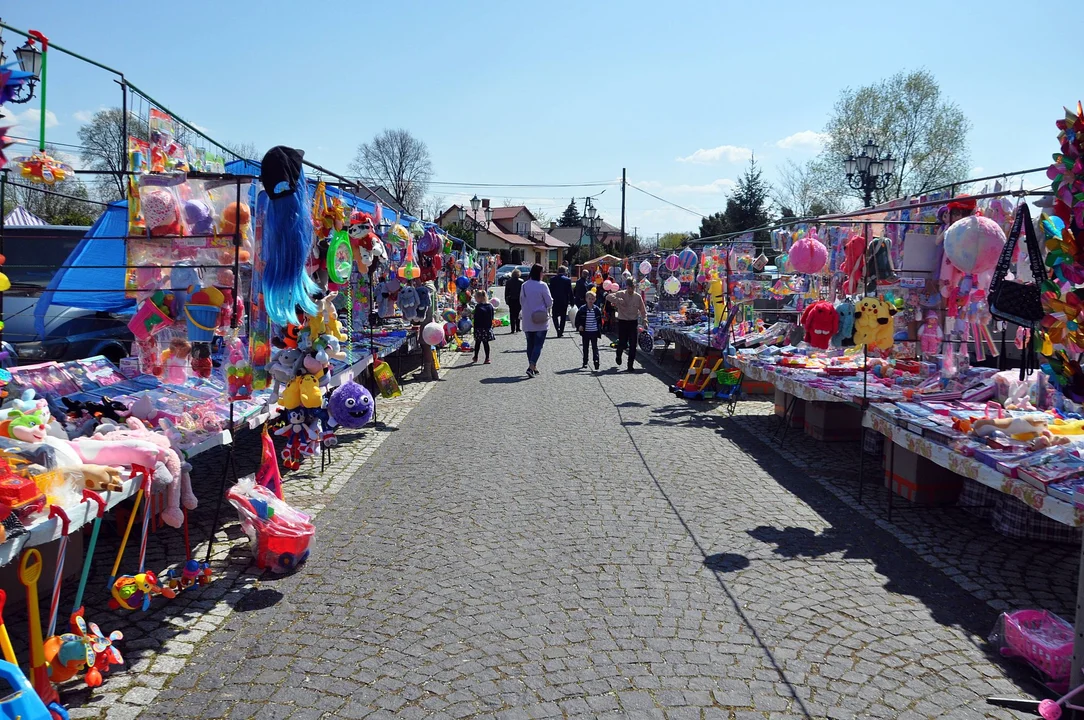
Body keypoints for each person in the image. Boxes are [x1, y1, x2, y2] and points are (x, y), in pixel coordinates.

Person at [607, 277, 648, 372]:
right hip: (623, 321)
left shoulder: (637, 297)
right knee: (623, 343)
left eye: (632, 288)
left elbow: (643, 310)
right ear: (627, 287)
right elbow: (608, 297)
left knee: (633, 344)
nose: (630, 290)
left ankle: (630, 365)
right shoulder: (621, 293)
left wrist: (645, 319)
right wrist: (618, 300)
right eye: (629, 288)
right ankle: (619, 353)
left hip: (633, 322)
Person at [519, 263, 552, 377]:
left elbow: (521, 301)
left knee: (530, 344)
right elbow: (549, 302)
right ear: (539, 273)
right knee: (538, 344)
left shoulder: (524, 285)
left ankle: (533, 366)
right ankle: (531, 366)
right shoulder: (542, 285)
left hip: (527, 317)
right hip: (540, 318)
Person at [576, 290, 603, 371]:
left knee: (595, 347)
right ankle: (585, 361)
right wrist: (579, 326)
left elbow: (599, 320)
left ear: (595, 300)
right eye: (589, 299)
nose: (591, 300)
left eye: (592, 299)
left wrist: (600, 328)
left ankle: (596, 360)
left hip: (594, 331)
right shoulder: (582, 309)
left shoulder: (597, 309)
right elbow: (577, 319)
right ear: (586, 299)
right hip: (585, 331)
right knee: (585, 347)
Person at [548, 266, 573, 338]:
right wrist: (572, 302)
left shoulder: (552, 279)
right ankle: (561, 331)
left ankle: (557, 328)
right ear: (565, 272)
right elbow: (570, 292)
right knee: (563, 316)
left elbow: (550, 290)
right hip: (564, 300)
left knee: (554, 315)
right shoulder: (567, 280)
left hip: (555, 300)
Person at [472, 290, 495, 364]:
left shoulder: (478, 307)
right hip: (487, 327)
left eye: (476, 297)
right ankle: (487, 358)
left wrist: (474, 328)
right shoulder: (490, 306)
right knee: (486, 343)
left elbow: (476, 318)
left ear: (479, 298)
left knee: (477, 343)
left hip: (479, 327)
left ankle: (476, 357)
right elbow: (492, 317)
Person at [505, 268, 523, 333]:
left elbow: (506, 292)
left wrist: (506, 300)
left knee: (512, 314)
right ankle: (518, 327)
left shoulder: (508, 282)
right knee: (518, 313)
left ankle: (512, 329)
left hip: (511, 299)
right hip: (518, 299)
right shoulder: (521, 281)